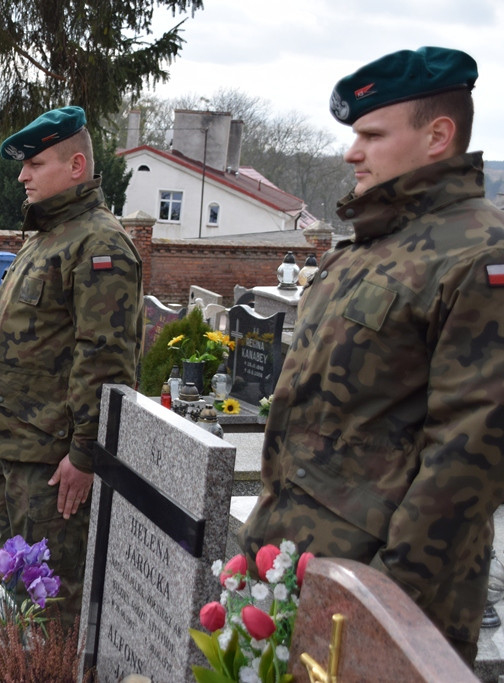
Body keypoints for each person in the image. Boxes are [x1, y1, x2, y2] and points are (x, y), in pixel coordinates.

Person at [239, 46, 504, 664]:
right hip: (300, 571)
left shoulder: (480, 254)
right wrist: (262, 550)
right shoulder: (366, 249)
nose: (351, 152)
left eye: (372, 135)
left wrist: (380, 603)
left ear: (438, 136)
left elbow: (470, 454)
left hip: (383, 601)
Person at [0, 106, 144, 626]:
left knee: (52, 605)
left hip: (54, 468)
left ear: (76, 166)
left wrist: (86, 454)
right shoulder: (48, 237)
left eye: (36, 163)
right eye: (23, 164)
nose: (22, 175)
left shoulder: (99, 244)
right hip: (16, 453)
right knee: (20, 601)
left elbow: (106, 360)